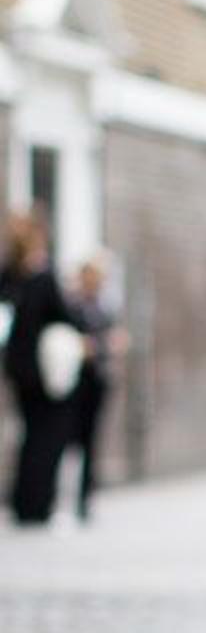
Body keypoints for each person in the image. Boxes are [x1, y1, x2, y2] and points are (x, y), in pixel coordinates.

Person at [0, 210, 85, 526]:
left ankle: (23, 503)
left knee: (29, 433)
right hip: (47, 370)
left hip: (18, 368)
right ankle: (38, 504)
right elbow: (65, 317)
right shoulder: (43, 277)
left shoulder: (10, 274)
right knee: (48, 435)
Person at [68, 257, 126, 522]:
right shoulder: (73, 307)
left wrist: (111, 346)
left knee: (91, 440)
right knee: (72, 438)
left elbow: (109, 340)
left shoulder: (104, 309)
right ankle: (66, 494)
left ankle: (85, 496)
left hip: (98, 380)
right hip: (75, 381)